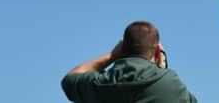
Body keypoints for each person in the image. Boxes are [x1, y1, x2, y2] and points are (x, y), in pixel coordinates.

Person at [61, 21, 198, 103]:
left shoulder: (103, 83)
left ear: (122, 48)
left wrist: (111, 55)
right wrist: (162, 70)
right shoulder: (170, 83)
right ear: (157, 51)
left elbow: (70, 79)